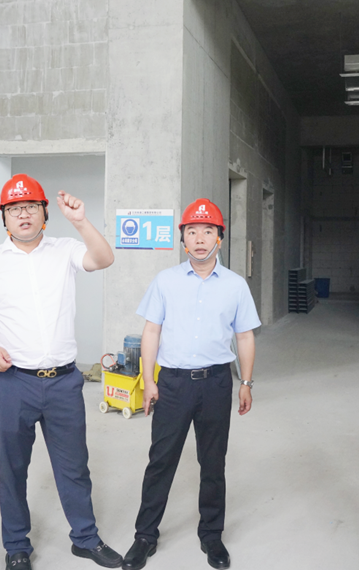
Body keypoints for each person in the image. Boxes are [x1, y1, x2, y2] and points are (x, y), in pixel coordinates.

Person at [0, 174, 120, 570]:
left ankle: (85, 539)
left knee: (74, 466)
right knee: (13, 469)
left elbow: (104, 259)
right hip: (13, 383)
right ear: (4, 217)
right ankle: (16, 546)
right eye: (14, 209)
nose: (23, 215)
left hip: (64, 382)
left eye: (31, 206)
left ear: (44, 213)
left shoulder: (65, 250)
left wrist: (81, 221)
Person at [122, 199, 260, 570]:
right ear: (182, 238)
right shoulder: (165, 281)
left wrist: (246, 382)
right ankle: (145, 536)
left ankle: (211, 535)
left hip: (216, 383)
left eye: (208, 231)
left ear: (219, 237)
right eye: (192, 231)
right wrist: (148, 380)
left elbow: (244, 336)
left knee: (213, 462)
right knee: (161, 460)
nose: (200, 239)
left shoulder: (235, 286)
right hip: (173, 384)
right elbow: (151, 331)